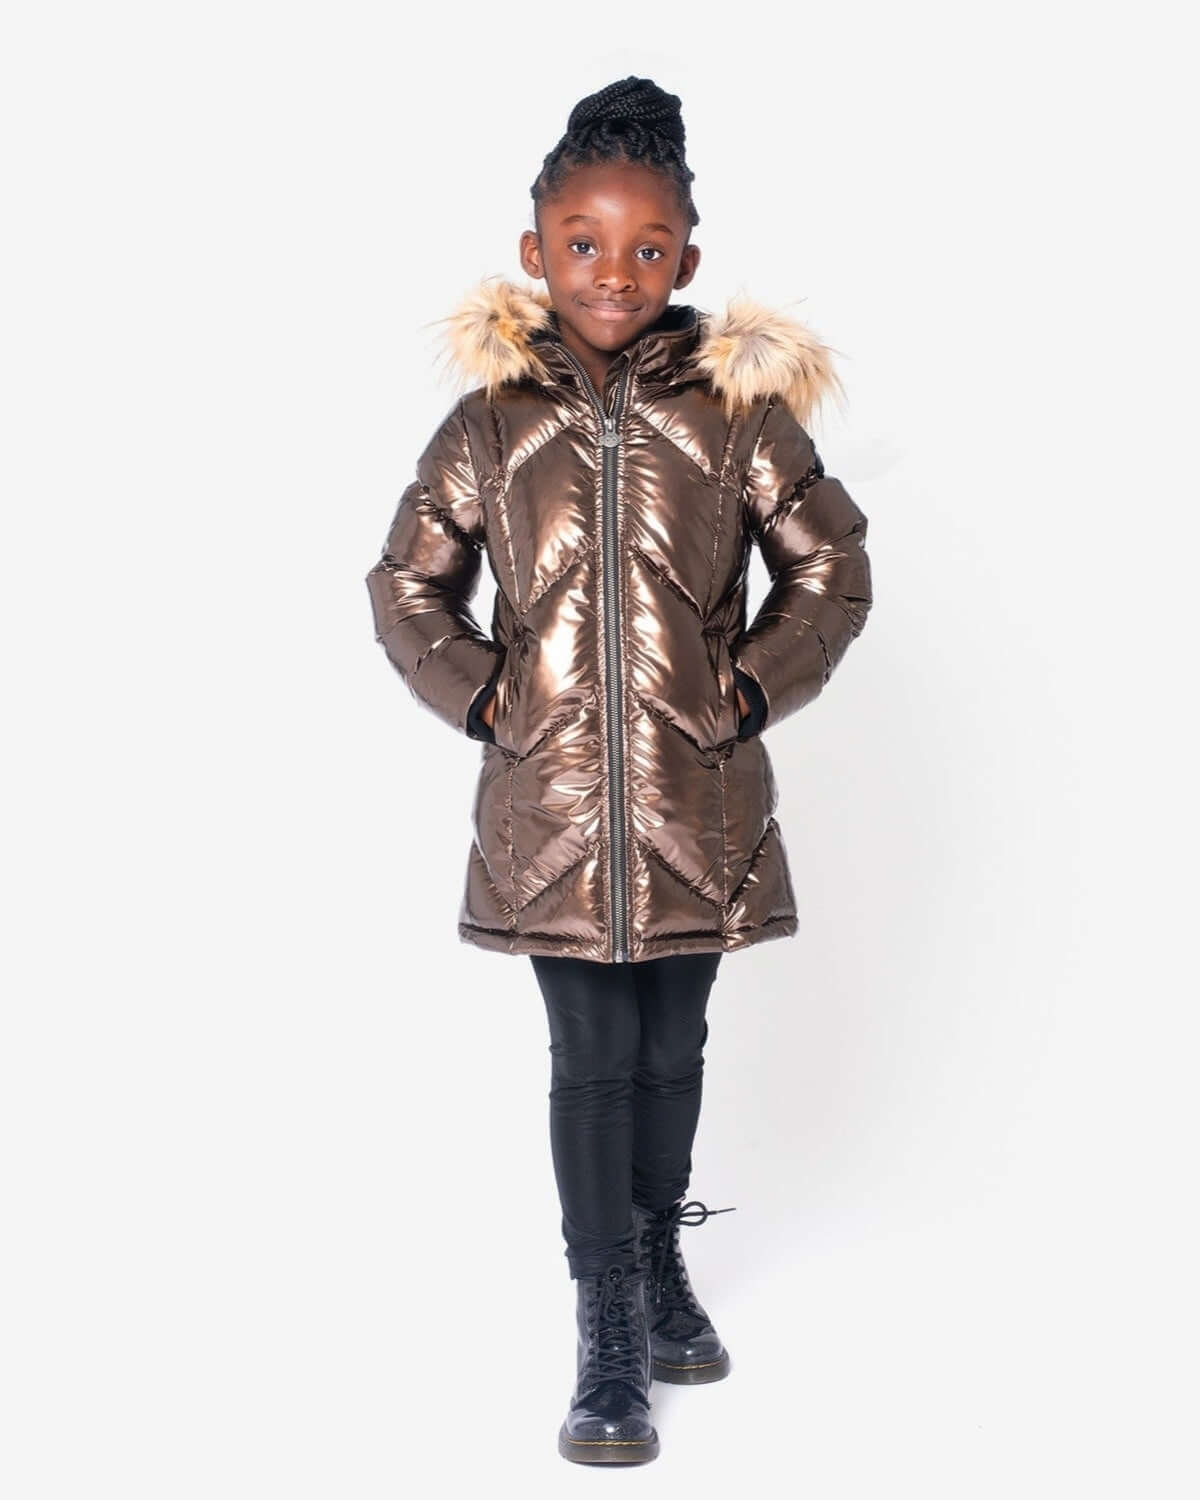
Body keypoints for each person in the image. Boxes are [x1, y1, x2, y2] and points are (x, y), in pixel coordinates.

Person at [365, 75, 873, 1465]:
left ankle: (657, 1260)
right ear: (534, 249)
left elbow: (830, 568)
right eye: (584, 242)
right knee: (592, 1055)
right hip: (551, 809)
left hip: (699, 798)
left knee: (672, 1046)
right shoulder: (488, 424)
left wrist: (751, 685)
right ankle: (605, 1327)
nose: (613, 271)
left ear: (687, 260)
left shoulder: (740, 413)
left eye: (647, 247)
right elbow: (407, 585)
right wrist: (487, 700)